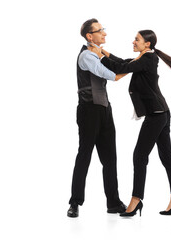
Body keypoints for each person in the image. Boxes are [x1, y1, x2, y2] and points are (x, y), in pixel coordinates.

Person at [89, 30, 171, 217]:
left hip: (157, 115)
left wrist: (100, 57)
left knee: (139, 156)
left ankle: (136, 200)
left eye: (137, 39)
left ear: (147, 44)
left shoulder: (148, 59)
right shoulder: (144, 58)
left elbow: (120, 68)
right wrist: (105, 53)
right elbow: (124, 62)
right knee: (166, 156)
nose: (133, 42)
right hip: (161, 112)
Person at [67, 18, 126, 218]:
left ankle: (113, 202)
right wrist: (136, 67)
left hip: (104, 110)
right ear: (89, 36)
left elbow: (114, 65)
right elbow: (109, 73)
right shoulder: (86, 56)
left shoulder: (98, 54)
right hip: (88, 111)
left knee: (110, 159)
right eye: (101, 31)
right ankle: (75, 203)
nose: (105, 34)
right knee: (84, 156)